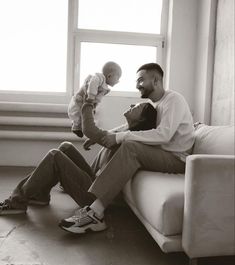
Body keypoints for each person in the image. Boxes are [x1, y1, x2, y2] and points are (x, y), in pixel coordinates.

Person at [58, 62, 195, 234]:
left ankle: (95, 214)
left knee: (130, 147)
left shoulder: (173, 99)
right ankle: (93, 192)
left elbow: (164, 134)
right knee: (124, 143)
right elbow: (130, 126)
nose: (137, 85)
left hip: (177, 158)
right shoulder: (154, 105)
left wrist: (120, 137)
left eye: (141, 80)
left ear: (156, 80)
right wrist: (110, 134)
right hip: (162, 152)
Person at [0, 101, 157, 218]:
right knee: (66, 146)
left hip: (95, 195)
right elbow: (108, 133)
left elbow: (89, 129)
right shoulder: (125, 131)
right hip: (94, 180)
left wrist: (88, 102)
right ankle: (40, 195)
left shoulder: (129, 139)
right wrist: (97, 138)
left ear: (141, 120)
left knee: (55, 155)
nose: (132, 105)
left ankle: (17, 201)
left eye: (137, 107)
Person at [68, 61, 122, 137]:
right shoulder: (100, 78)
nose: (118, 81)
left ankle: (78, 127)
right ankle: (76, 126)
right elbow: (92, 84)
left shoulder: (105, 87)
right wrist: (91, 96)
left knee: (84, 116)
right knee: (78, 112)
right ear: (110, 76)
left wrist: (94, 105)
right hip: (81, 98)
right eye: (118, 78)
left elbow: (98, 98)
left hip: (88, 101)